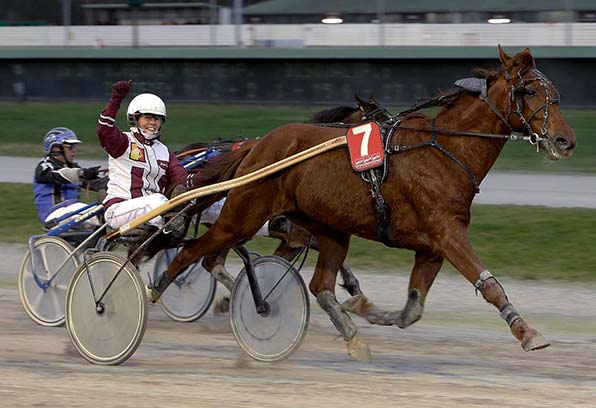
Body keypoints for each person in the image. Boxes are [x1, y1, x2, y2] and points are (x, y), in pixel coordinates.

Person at [96, 80, 188, 237]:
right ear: (135, 119)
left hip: (151, 213)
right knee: (158, 200)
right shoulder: (123, 141)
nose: (153, 123)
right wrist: (116, 99)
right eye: (148, 117)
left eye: (157, 119)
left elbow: (181, 177)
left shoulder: (164, 151)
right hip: (119, 210)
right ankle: (170, 226)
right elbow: (104, 131)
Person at [34, 127, 106, 228]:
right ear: (56, 148)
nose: (74, 151)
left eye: (75, 147)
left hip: (72, 213)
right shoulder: (45, 166)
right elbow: (59, 174)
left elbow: (94, 183)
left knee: (106, 209)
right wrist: (82, 173)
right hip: (54, 215)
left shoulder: (72, 168)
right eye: (70, 147)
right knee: (102, 214)